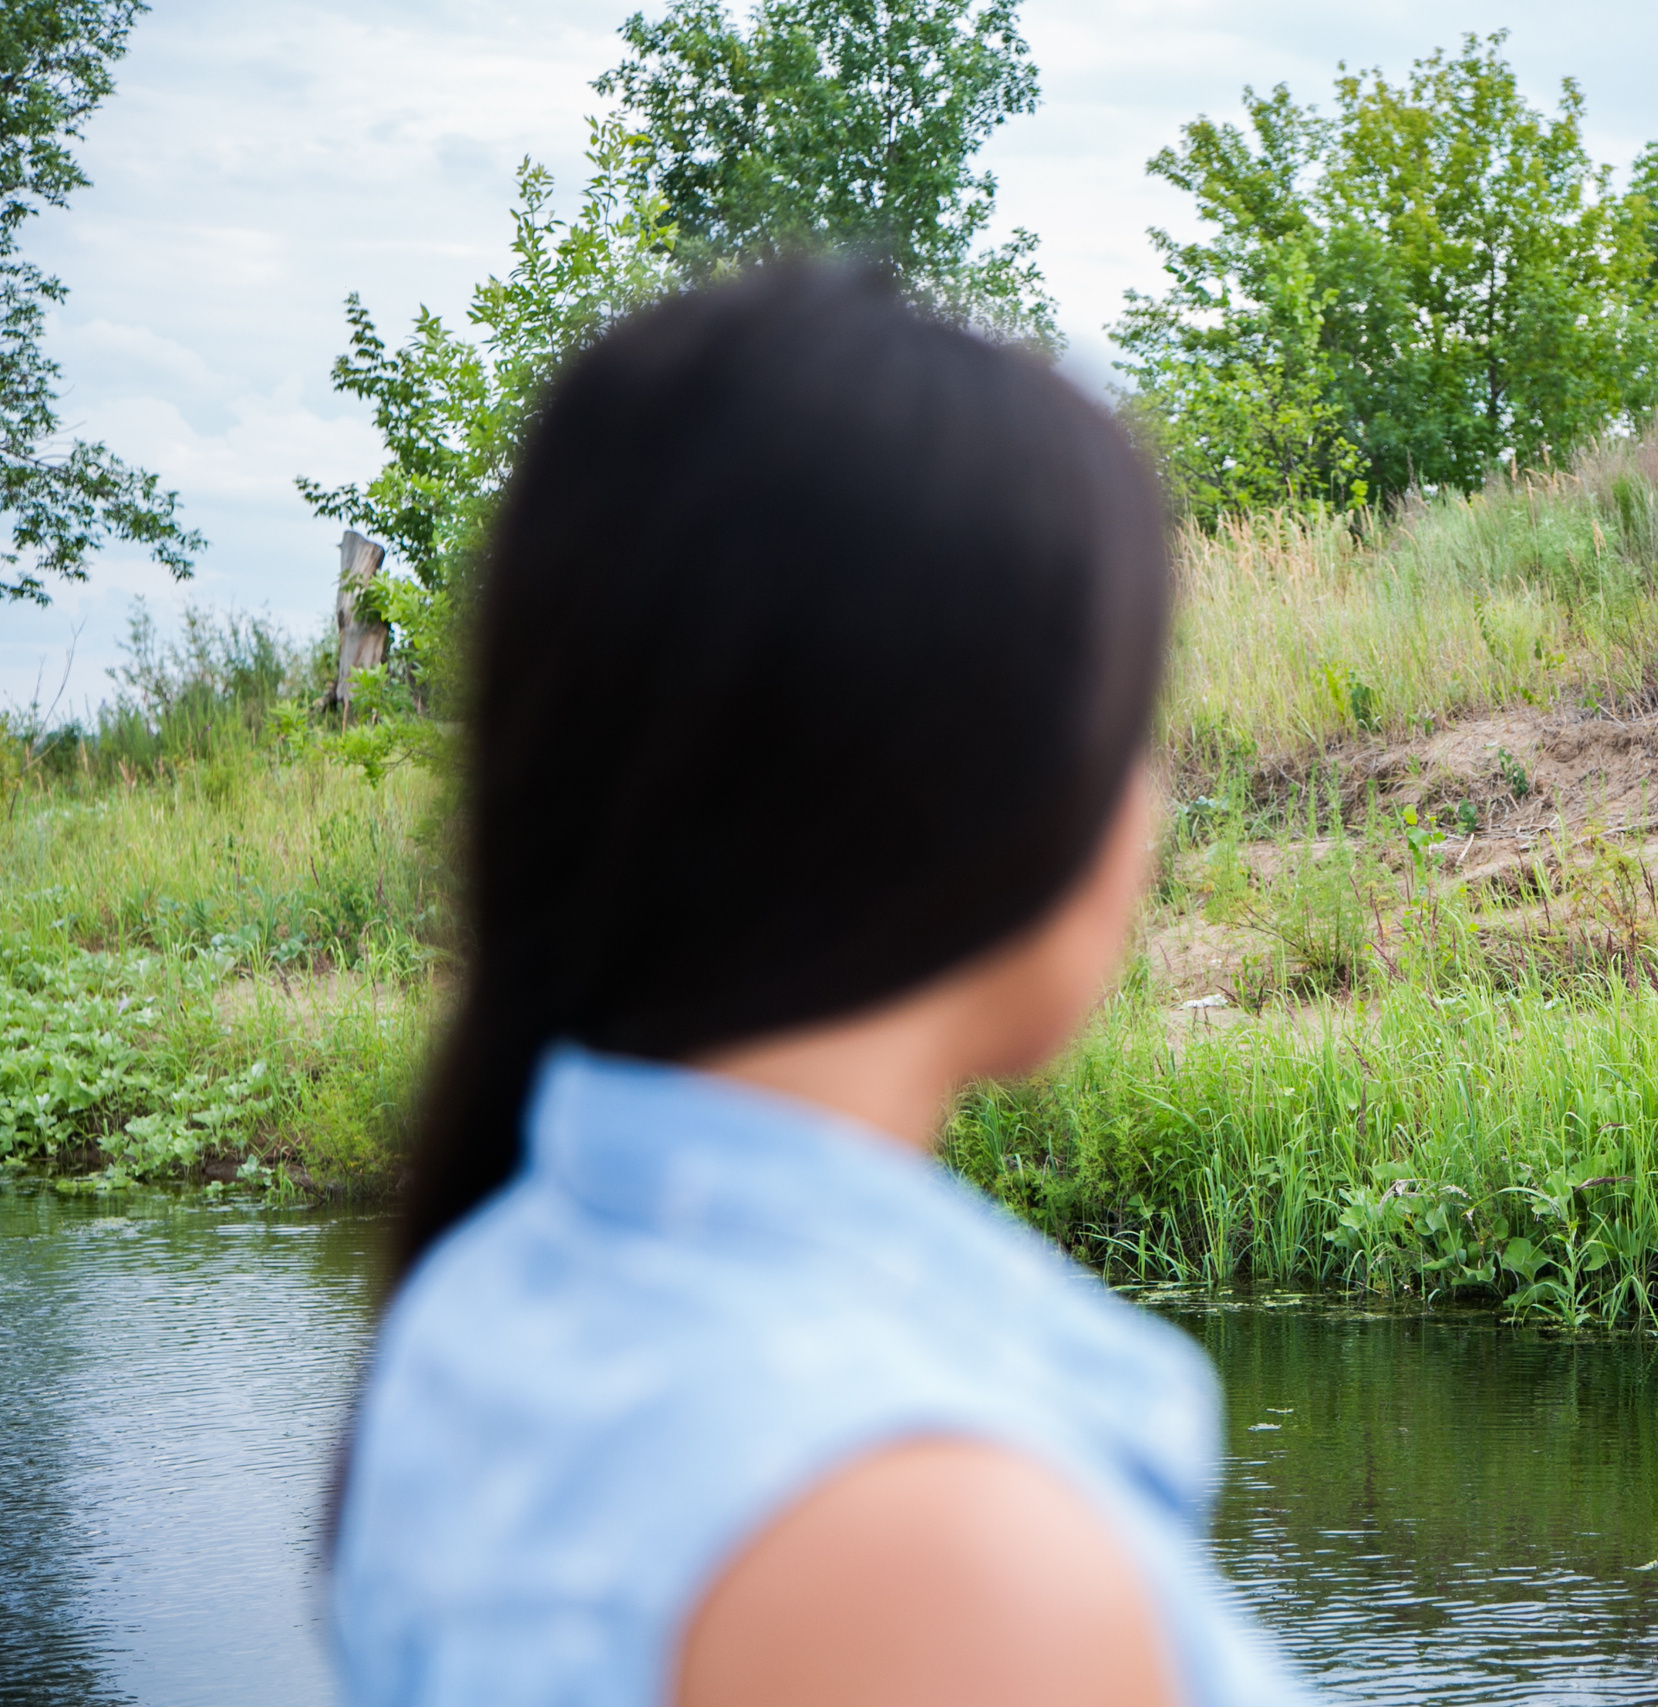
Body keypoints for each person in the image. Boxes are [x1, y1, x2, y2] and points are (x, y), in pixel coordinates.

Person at [330, 264, 1314, 1707]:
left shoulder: (488, 1294)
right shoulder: (933, 1553)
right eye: (1131, 725)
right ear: (968, 774)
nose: (1150, 806)